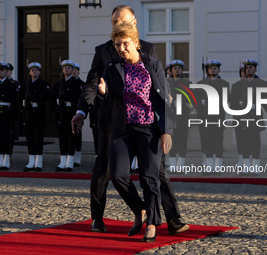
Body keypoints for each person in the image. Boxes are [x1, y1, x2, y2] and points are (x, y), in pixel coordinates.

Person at [72, 5, 188, 235]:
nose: (117, 25)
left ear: (134, 23)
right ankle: (97, 217)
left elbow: (156, 83)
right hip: (112, 119)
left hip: (146, 122)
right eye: (114, 22)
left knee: (156, 171)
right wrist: (82, 110)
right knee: (105, 168)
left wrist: (166, 102)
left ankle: (172, 218)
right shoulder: (103, 51)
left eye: (121, 21)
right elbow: (92, 84)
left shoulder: (148, 50)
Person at [97, 22, 175, 243]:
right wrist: (102, 92)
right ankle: (140, 209)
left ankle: (151, 223)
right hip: (122, 129)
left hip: (149, 128)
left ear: (136, 43)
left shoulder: (153, 65)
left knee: (149, 178)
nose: (121, 48)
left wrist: (165, 131)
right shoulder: (112, 67)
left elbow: (162, 100)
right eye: (117, 44)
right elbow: (105, 96)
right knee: (118, 175)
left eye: (125, 44)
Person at [230, 58, 266, 172]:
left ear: (255, 69)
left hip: (254, 117)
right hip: (242, 117)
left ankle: (255, 167)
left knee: (255, 142)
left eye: (251, 67)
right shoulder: (237, 85)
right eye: (246, 67)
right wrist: (241, 105)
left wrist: (255, 105)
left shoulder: (261, 84)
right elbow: (232, 102)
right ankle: (246, 167)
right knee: (244, 142)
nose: (248, 69)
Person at [195, 60, 229, 170]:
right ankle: (209, 166)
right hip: (205, 117)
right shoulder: (201, 84)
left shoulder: (224, 84)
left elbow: (225, 100)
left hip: (218, 117)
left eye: (215, 68)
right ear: (207, 70)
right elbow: (196, 101)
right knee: (207, 142)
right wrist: (202, 110)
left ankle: (218, 167)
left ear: (219, 70)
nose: (213, 70)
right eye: (211, 68)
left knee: (218, 142)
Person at [49, 60, 82, 172]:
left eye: (69, 68)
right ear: (62, 70)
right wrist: (55, 107)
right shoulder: (59, 83)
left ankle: (70, 162)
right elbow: (51, 98)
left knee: (71, 139)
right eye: (65, 67)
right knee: (62, 139)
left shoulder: (77, 83)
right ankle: (62, 162)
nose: (67, 69)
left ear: (73, 70)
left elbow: (81, 99)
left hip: (72, 113)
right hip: (61, 114)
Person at [21, 62, 50, 172]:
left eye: (36, 70)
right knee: (30, 139)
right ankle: (31, 161)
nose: (34, 71)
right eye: (32, 70)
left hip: (38, 113)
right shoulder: (25, 84)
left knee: (38, 139)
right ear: (29, 72)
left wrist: (32, 97)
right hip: (29, 114)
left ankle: (39, 163)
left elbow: (45, 97)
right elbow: (19, 98)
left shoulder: (44, 84)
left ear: (40, 72)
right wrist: (22, 108)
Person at [168, 60, 191, 169]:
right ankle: (172, 163)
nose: (177, 70)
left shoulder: (187, 83)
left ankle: (181, 163)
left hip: (183, 115)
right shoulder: (166, 82)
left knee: (182, 138)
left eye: (179, 68)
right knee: (171, 138)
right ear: (171, 70)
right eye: (175, 68)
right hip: (170, 114)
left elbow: (190, 100)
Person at [72, 63, 85, 166]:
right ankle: (71, 155)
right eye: (73, 70)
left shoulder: (82, 84)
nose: (74, 72)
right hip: (68, 113)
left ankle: (78, 155)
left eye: (76, 70)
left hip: (78, 112)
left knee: (77, 135)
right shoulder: (66, 83)